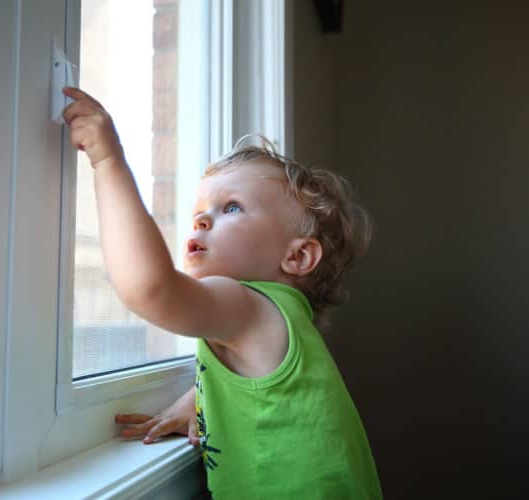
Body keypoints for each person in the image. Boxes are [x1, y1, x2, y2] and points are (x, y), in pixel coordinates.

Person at [62, 87, 382, 499]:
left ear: (298, 256)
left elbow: (150, 287)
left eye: (231, 207)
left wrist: (108, 161)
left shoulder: (248, 305)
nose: (201, 223)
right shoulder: (280, 319)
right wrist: (199, 399)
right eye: (199, 214)